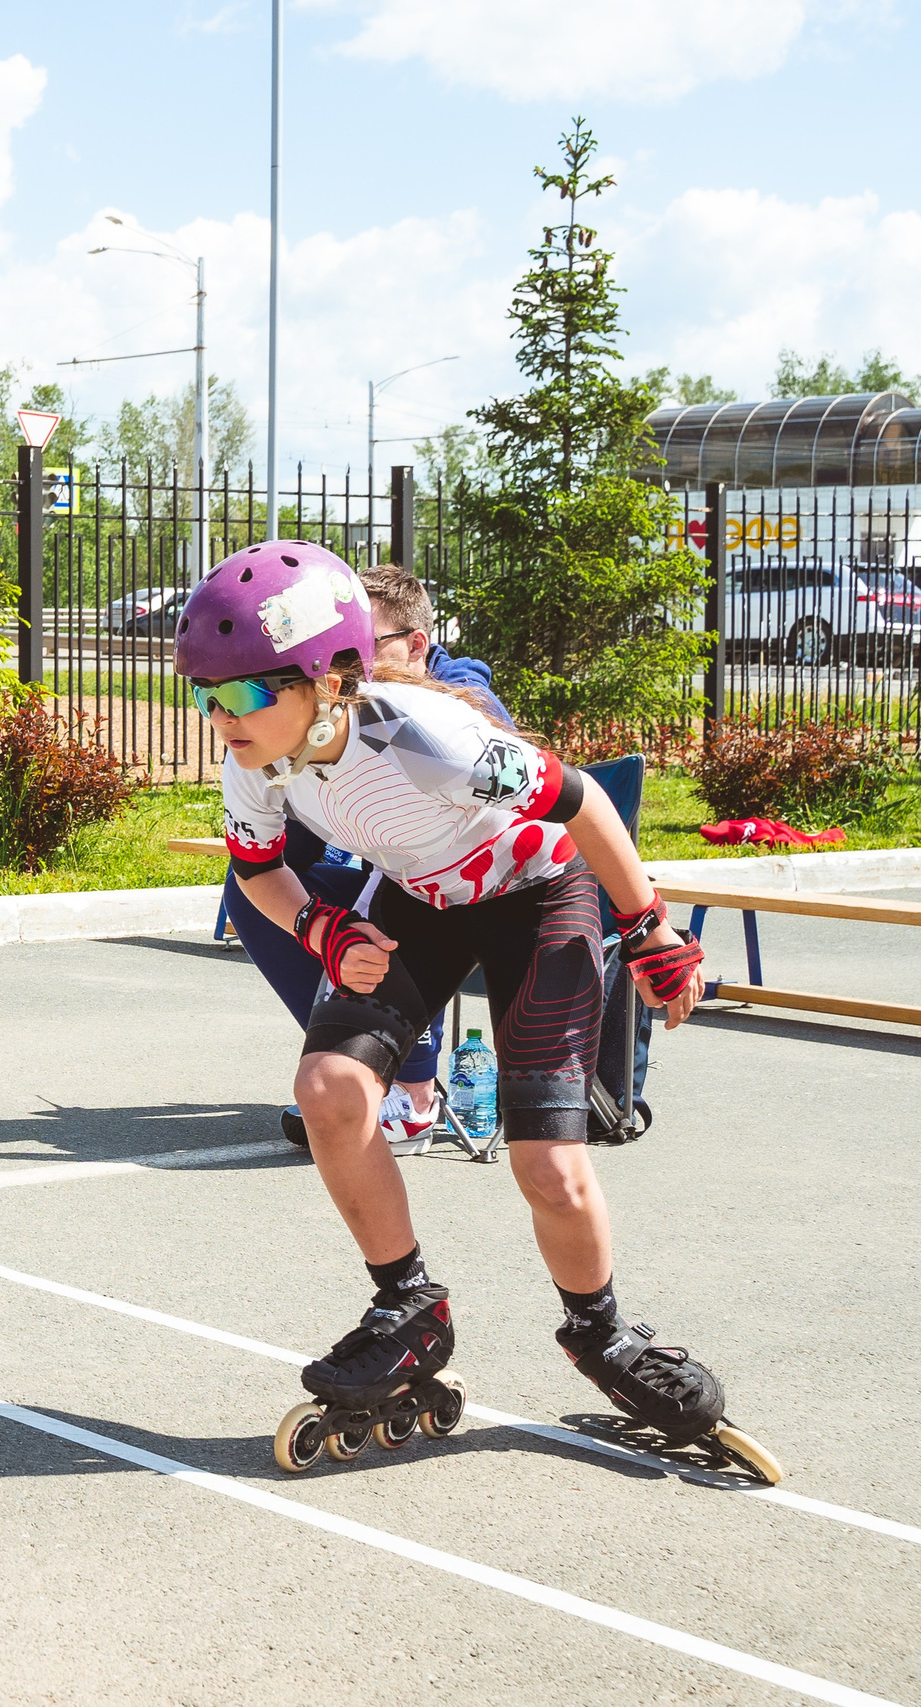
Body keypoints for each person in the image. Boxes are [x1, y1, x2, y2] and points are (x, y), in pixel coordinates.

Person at [175, 539, 771, 1475]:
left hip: (538, 891)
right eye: (206, 696)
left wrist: (649, 926)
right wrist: (325, 929)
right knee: (330, 1089)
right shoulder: (258, 758)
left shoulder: (427, 738)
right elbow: (257, 871)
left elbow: (582, 806)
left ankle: (601, 1333)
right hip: (428, 898)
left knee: (547, 1164)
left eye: (245, 693)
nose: (222, 719)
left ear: (331, 677)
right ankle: (409, 1304)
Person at [220, 565, 515, 1149]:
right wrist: (316, 919)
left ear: (416, 647)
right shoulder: (326, 710)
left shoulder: (455, 712)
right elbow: (278, 856)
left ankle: (414, 1093)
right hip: (385, 872)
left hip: (480, 889)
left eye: (364, 645)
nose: (347, 663)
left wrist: (646, 923)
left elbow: (564, 802)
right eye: (334, 649)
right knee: (253, 893)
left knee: (394, 898)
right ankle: (360, 1063)